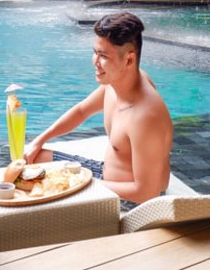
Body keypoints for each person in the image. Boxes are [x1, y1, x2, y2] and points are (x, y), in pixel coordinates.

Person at [24, 12, 173, 208]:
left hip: (131, 200)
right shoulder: (115, 83)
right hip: (104, 175)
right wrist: (38, 140)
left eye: (103, 56)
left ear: (129, 60)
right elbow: (81, 111)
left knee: (47, 194)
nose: (95, 62)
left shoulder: (145, 116)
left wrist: (82, 184)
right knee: (33, 159)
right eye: (95, 52)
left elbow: (147, 193)